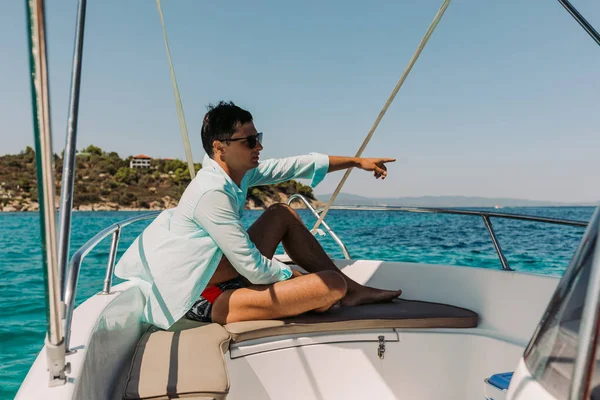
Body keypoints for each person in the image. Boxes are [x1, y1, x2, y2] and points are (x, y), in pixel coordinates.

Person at [115, 101, 402, 330]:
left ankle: (351, 291)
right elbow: (252, 267)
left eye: (258, 138)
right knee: (330, 285)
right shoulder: (212, 192)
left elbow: (291, 166)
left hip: (222, 270)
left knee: (280, 213)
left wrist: (355, 161)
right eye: (249, 141)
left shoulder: (235, 174)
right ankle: (340, 289)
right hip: (200, 295)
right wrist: (293, 275)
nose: (259, 147)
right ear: (220, 147)